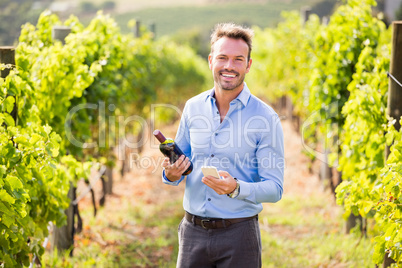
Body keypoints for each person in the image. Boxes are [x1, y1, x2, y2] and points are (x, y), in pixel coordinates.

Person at [161, 22, 284, 268]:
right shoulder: (193, 107)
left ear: (248, 65)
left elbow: (275, 188)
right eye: (222, 58)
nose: (229, 66)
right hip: (192, 233)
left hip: (239, 235)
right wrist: (170, 173)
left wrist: (236, 188)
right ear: (210, 61)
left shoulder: (266, 118)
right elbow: (179, 165)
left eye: (238, 59)